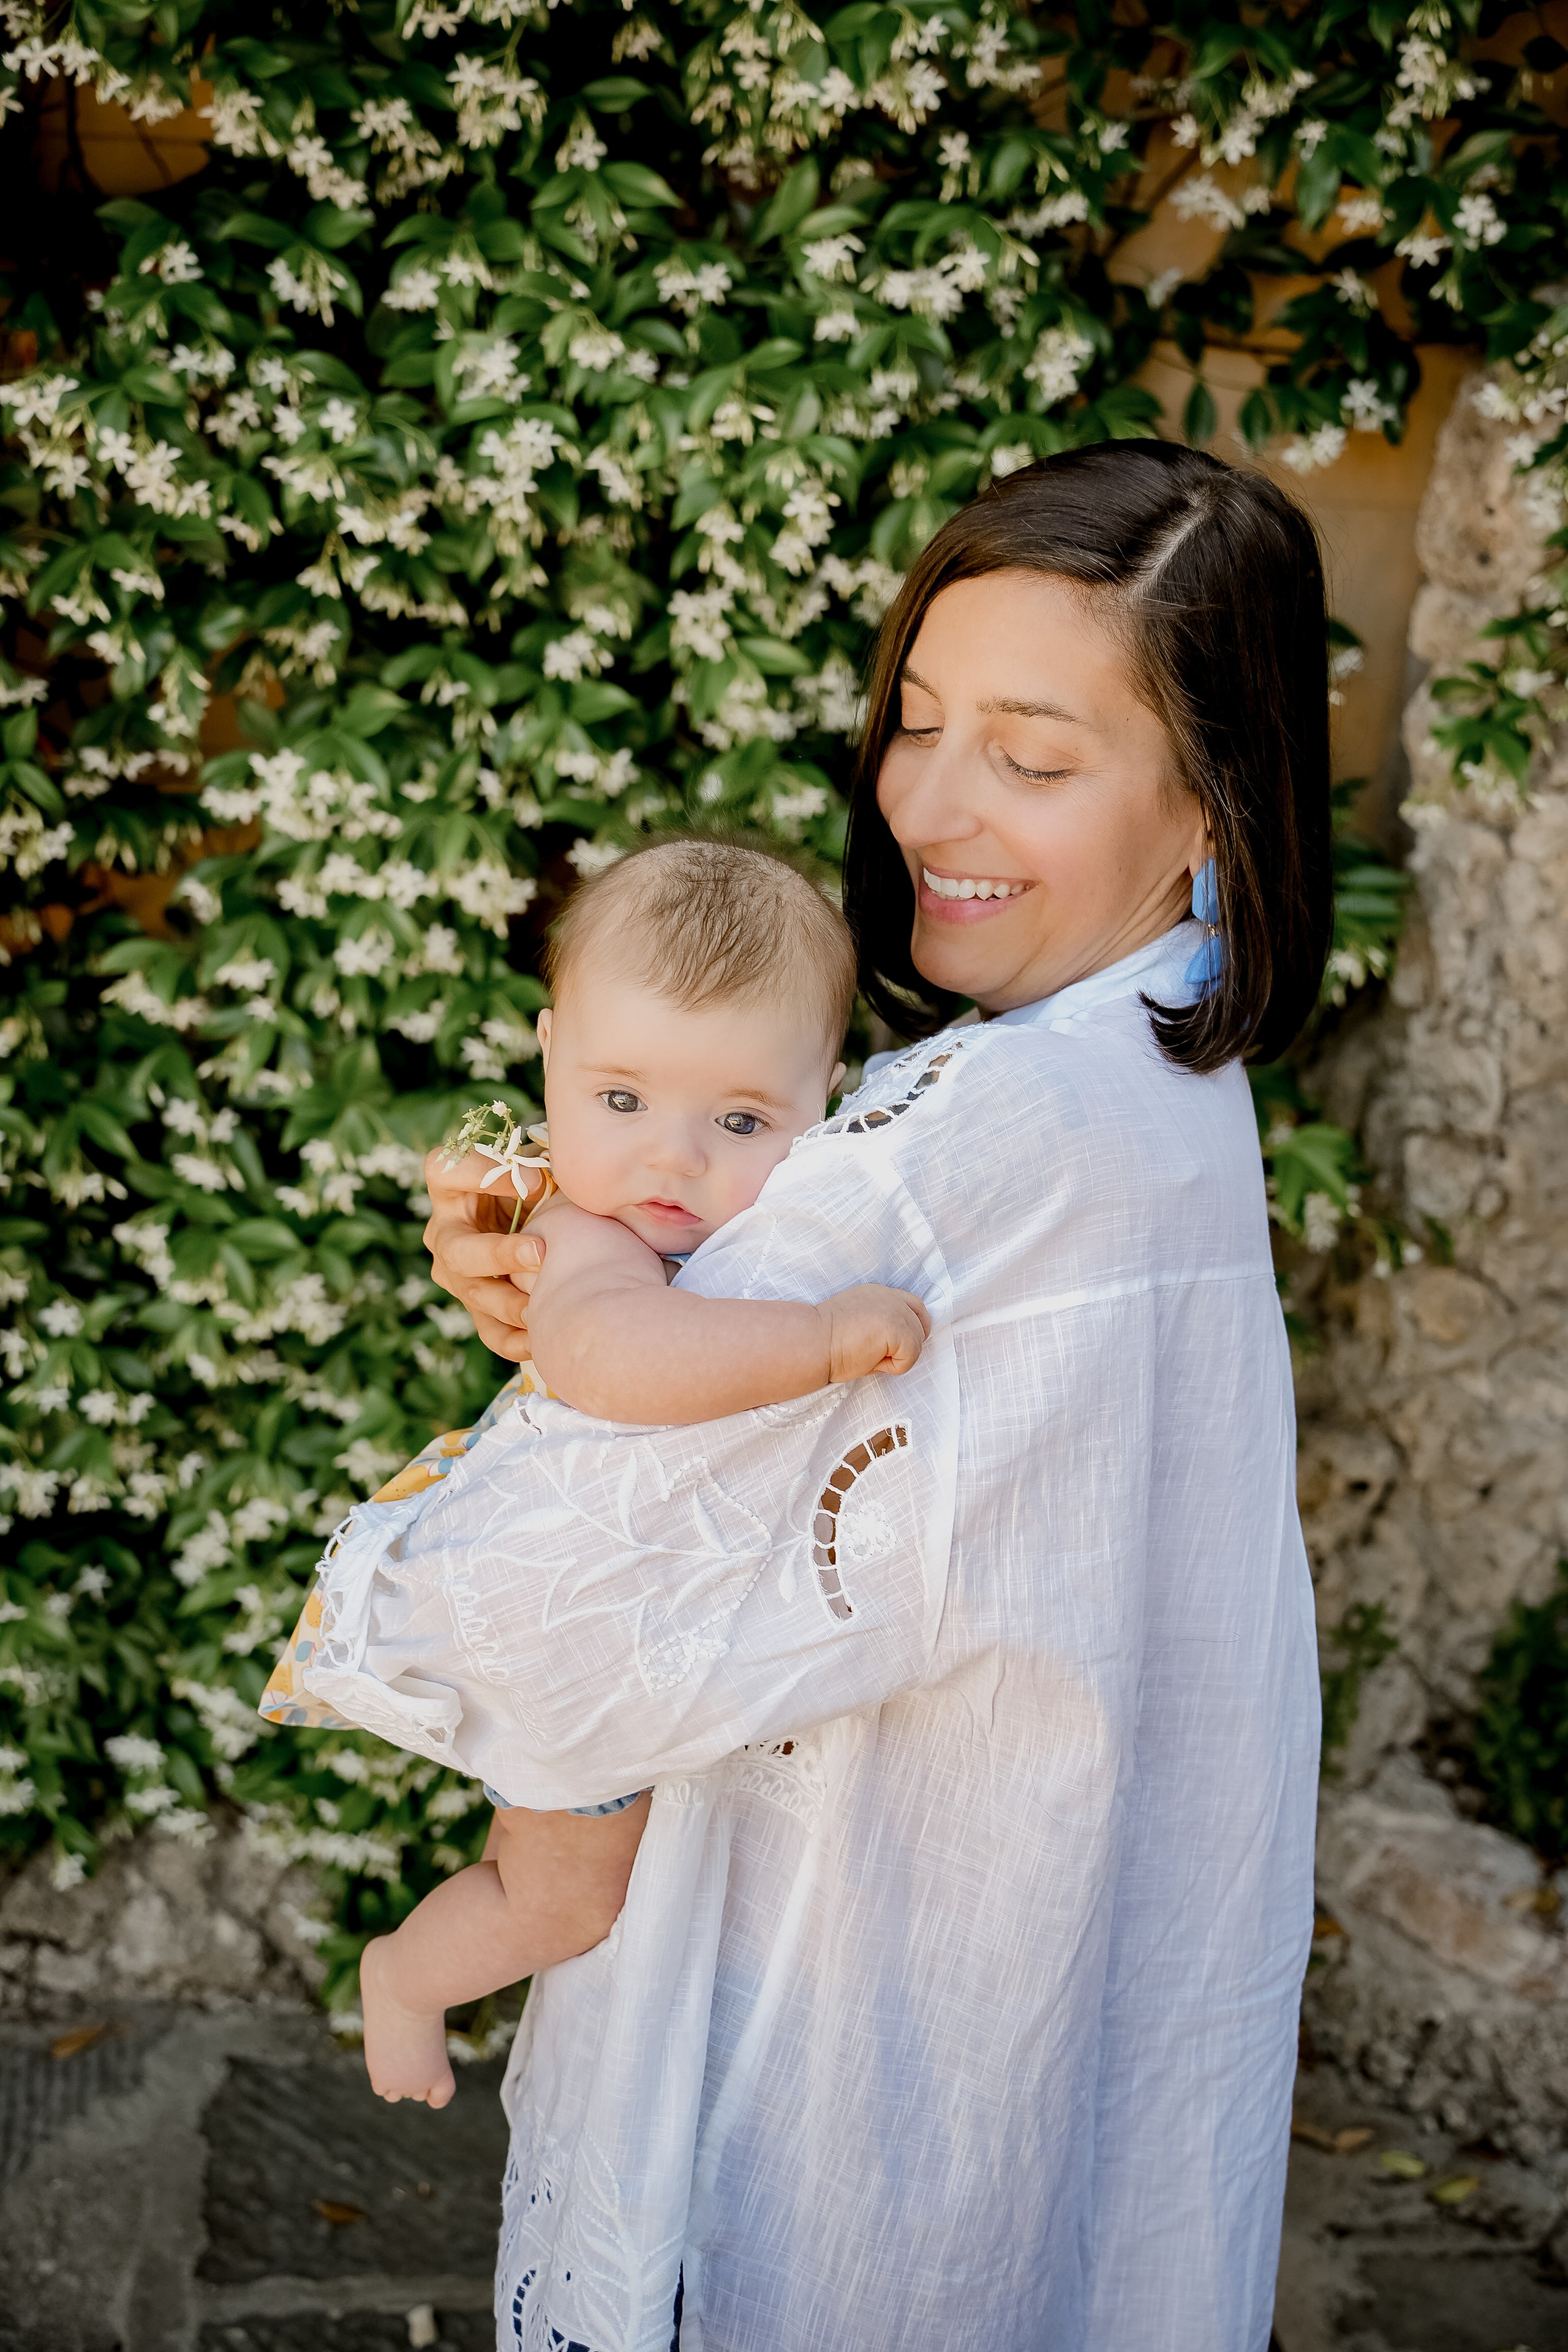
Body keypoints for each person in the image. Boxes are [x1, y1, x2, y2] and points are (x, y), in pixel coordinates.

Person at [339, 442, 1332, 2351]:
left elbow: (544, 1585)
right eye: (916, 721)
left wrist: (580, 1374)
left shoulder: (948, 1154)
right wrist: (597, 1313)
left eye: (1035, 759)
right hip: (1026, 2020)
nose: (931, 806)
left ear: (1213, 801)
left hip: (822, 2055)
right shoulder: (1163, 1091)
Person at [261, 840, 929, 2108]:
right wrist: (822, 1342)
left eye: (738, 1121)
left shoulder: (754, 1207)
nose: (669, 1159)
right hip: (569, 1627)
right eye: (618, 1101)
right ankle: (406, 1977)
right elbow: (616, 1359)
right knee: (563, 1901)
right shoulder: (580, 1231)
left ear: (824, 1097)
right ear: (549, 1055)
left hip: (645, 1606)